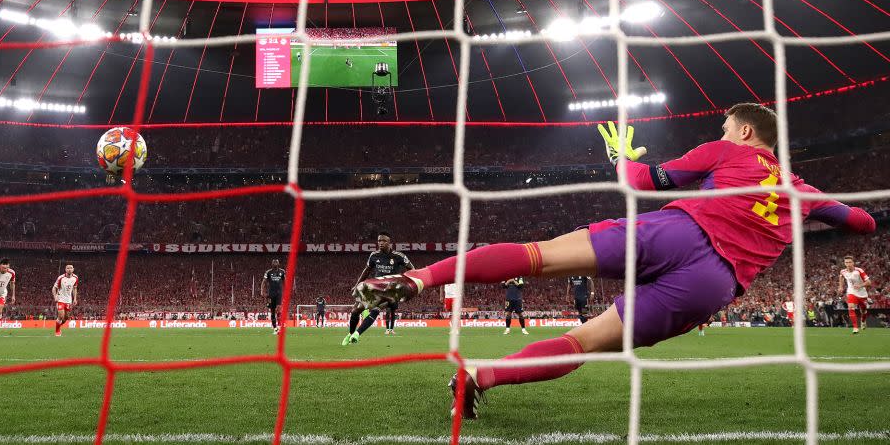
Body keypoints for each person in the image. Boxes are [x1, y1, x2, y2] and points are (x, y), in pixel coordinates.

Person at [354, 104, 876, 418]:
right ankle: (482, 377)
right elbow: (862, 224)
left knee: (538, 256)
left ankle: (417, 278)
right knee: (583, 343)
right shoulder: (802, 191)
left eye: (724, 126)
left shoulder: (726, 153)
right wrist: (826, 208)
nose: (721, 133)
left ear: (743, 131)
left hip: (676, 232)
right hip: (713, 282)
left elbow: (643, 182)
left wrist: (621, 159)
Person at [342, 231, 413, 344]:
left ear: (390, 243)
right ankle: (351, 334)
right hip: (375, 288)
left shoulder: (399, 256)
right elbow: (366, 271)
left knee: (375, 310)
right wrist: (357, 285)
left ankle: (357, 334)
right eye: (379, 240)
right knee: (355, 311)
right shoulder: (374, 255)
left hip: (390, 292)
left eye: (384, 240)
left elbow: (413, 271)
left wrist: (404, 285)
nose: (381, 243)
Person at [838, 255, 871, 334]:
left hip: (862, 293)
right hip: (851, 292)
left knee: (863, 311)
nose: (848, 264)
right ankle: (855, 328)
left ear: (853, 263)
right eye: (846, 262)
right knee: (851, 307)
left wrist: (860, 285)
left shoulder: (859, 271)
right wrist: (841, 286)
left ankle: (863, 321)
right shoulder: (843, 271)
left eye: (850, 262)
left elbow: (869, 282)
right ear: (844, 263)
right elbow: (841, 277)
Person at [52, 263, 79, 337]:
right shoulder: (61, 278)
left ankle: (59, 326)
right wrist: (55, 296)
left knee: (66, 317)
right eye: (68, 268)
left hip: (68, 300)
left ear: (73, 269)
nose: (69, 269)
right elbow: (54, 288)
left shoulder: (75, 278)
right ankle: (57, 331)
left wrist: (75, 298)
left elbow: (75, 288)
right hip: (60, 299)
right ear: (65, 270)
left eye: (71, 268)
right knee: (60, 316)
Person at [262, 259, 286, 334]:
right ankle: (275, 329)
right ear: (272, 264)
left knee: (278, 310)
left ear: (278, 263)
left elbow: (285, 282)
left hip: (279, 293)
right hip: (271, 294)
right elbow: (264, 282)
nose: (275, 263)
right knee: (272, 311)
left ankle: (279, 327)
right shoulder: (268, 272)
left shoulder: (282, 271)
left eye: (276, 262)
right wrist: (262, 291)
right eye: (274, 262)